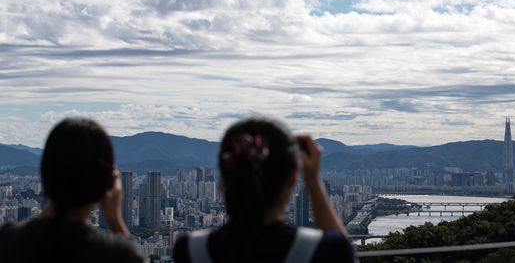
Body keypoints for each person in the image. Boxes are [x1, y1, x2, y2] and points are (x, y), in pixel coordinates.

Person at [173, 116, 355, 263]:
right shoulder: (325, 250)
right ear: (292, 179)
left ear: (224, 177)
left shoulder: (189, 250)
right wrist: (312, 180)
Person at [0, 118, 144, 263]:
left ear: (45, 172)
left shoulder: (7, 240)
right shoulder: (114, 253)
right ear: (107, 182)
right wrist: (115, 219)